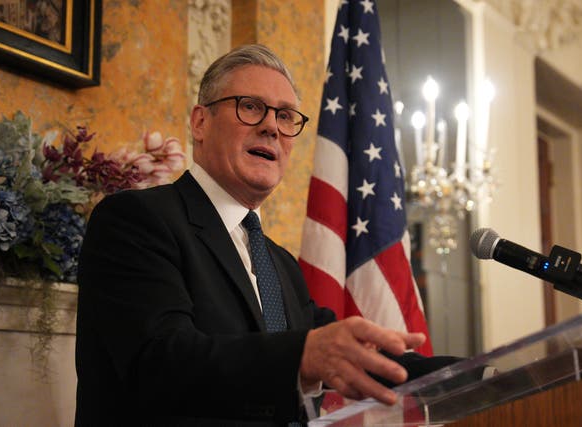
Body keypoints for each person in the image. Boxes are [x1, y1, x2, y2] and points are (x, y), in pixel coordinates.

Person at [75, 44, 444, 426]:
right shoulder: (136, 221)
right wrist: (301, 356)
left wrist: (482, 375)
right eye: (250, 106)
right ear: (200, 122)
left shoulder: (279, 262)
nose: (271, 126)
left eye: (285, 116)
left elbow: (354, 352)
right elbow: (160, 362)